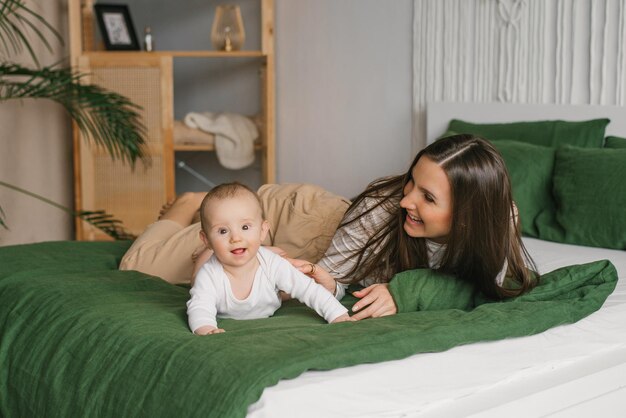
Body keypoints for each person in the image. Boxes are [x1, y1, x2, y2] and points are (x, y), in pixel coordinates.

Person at [302, 133, 538, 320]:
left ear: (468, 217)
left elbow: (486, 289)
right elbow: (331, 279)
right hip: (303, 217)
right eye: (412, 181)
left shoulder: (498, 218)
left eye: (428, 198)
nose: (405, 202)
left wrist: (405, 292)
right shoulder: (379, 210)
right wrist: (330, 284)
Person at [186, 182, 352, 335]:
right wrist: (207, 328)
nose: (235, 238)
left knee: (282, 264)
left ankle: (259, 246)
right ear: (206, 239)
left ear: (263, 231)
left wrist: (337, 314)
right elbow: (199, 307)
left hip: (266, 264)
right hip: (212, 257)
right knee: (197, 277)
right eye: (223, 231)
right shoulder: (209, 274)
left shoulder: (272, 263)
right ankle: (201, 242)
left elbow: (308, 288)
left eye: (245, 227)